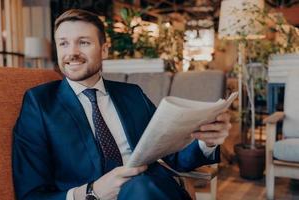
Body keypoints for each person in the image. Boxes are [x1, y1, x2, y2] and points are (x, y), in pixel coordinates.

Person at [12, 9, 231, 200]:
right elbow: (31, 194)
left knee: (141, 186)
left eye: (84, 42)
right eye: (63, 43)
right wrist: (92, 192)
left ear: (104, 50)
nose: (72, 53)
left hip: (151, 189)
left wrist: (207, 142)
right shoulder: (39, 104)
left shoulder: (132, 95)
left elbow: (175, 158)